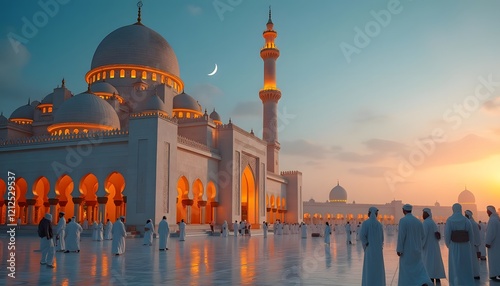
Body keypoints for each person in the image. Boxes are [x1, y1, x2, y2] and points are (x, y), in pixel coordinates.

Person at [396, 204, 432, 286]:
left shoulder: (403, 221)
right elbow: (423, 235)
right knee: (418, 269)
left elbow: (401, 236)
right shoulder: (418, 221)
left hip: (407, 251)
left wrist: (399, 249)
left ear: (404, 210)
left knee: (407, 271)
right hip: (417, 251)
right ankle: (422, 282)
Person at [445, 203, 474, 285]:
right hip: (465, 246)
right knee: (465, 265)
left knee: (455, 265)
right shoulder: (466, 220)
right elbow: (471, 234)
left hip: (454, 246)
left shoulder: (450, 220)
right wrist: (470, 245)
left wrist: (449, 245)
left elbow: (447, 235)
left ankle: (456, 283)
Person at [360, 207, 385, 286]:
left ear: (370, 213)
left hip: (370, 250)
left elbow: (361, 235)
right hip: (378, 251)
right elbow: (382, 238)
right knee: (378, 270)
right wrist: (379, 246)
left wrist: (366, 243)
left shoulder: (366, 223)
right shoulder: (379, 225)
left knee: (369, 269)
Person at [422, 208, 445, 283]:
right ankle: (437, 276)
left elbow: (424, 236)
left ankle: (430, 276)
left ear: (427, 214)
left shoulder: (426, 223)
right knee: (435, 262)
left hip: (428, 247)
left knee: (429, 262)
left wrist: (421, 245)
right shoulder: (433, 222)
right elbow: (437, 235)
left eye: (424, 213)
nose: (423, 215)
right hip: (434, 246)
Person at [465, 210, 481, 280]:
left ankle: (473, 274)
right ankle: (475, 274)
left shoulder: (469, 223)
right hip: (474, 245)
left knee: (471, 260)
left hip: (470, 245)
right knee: (474, 261)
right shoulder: (474, 223)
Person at [485, 205, 500, 281]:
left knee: (494, 260)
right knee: (497, 259)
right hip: (497, 244)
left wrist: (488, 242)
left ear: (490, 211)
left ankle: (494, 274)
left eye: (487, 211)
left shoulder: (492, 220)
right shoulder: (496, 219)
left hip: (493, 244)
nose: (486, 212)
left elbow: (491, 233)